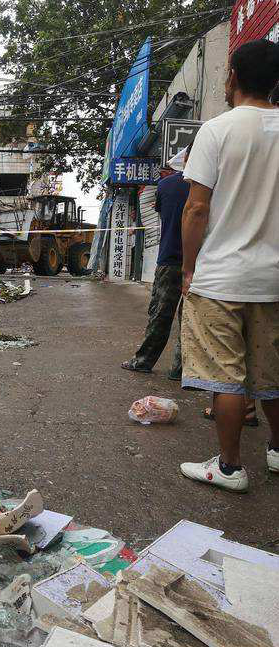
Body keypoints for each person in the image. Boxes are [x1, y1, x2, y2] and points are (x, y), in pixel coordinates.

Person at [180, 38, 279, 492]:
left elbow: (196, 209)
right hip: (274, 280)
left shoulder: (216, 131)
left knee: (228, 376)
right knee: (272, 374)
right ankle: (277, 451)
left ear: (233, 76)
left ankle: (230, 467)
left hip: (220, 278)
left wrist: (187, 268)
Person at [121, 147, 191, 380]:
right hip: (202, 262)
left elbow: (162, 213)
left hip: (170, 258)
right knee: (189, 318)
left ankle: (143, 360)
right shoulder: (212, 187)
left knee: (160, 313)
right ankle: (181, 369)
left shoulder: (166, 185)